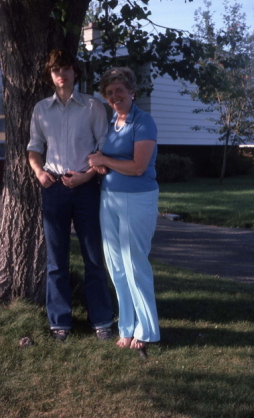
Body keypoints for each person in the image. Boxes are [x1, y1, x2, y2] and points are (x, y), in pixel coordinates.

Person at [27, 49, 113, 342]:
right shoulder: (41, 109)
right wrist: (40, 173)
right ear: (50, 75)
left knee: (93, 257)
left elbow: (103, 147)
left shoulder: (93, 106)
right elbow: (34, 147)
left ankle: (101, 319)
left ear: (75, 73)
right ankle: (60, 322)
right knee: (56, 259)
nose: (61, 75)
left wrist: (86, 176)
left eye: (65, 69)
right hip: (54, 190)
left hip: (87, 187)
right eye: (55, 71)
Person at [88, 67, 160, 351]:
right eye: (110, 92)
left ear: (131, 91)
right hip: (109, 198)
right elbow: (103, 159)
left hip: (138, 198)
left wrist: (104, 159)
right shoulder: (111, 123)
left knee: (135, 264)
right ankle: (127, 328)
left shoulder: (144, 122)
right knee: (117, 266)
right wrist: (100, 162)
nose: (115, 96)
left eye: (120, 90)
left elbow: (138, 166)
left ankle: (147, 330)